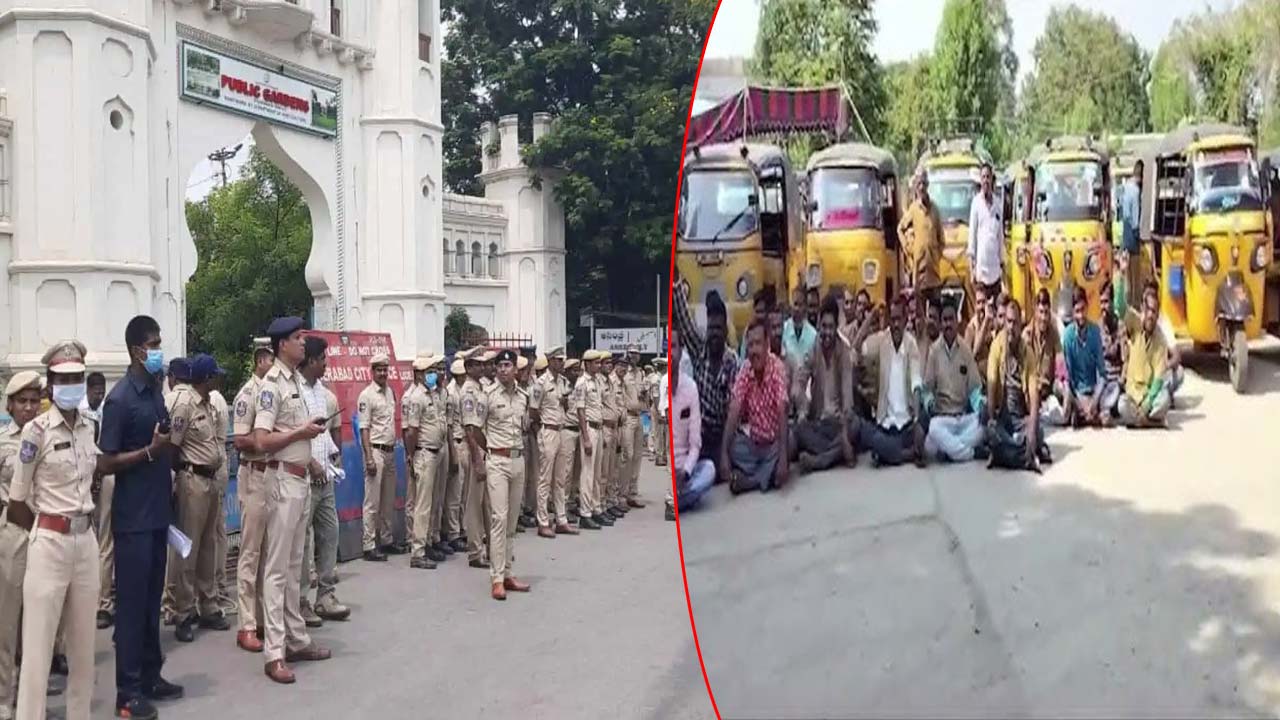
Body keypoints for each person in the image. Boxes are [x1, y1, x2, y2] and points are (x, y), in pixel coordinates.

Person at [98, 316, 184, 718]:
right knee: (131, 608)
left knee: (151, 604)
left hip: (156, 514)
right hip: (132, 519)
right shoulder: (119, 399)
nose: (158, 350)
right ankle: (126, 692)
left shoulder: (154, 389)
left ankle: (151, 675)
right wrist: (150, 452)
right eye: (153, 344)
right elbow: (106, 462)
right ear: (136, 350)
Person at [8, 342, 98, 720]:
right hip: (49, 542)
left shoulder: (89, 427)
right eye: (63, 378)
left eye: (77, 377)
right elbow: (16, 501)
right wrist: (47, 530)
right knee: (38, 648)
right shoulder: (35, 432)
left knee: (83, 648)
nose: (72, 384)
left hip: (86, 543)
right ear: (50, 384)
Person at [252, 317, 332, 684]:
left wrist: (310, 445)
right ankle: (274, 652)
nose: (304, 344)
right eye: (299, 339)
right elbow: (261, 440)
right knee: (277, 569)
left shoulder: (296, 381)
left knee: (295, 565)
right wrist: (302, 431)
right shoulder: (271, 386)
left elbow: (295, 437)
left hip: (300, 479)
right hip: (281, 480)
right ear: (283, 344)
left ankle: (296, 639)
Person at [166, 353, 230, 643]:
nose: (218, 379)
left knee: (208, 546)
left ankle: (209, 605)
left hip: (210, 479)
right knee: (187, 550)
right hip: (192, 480)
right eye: (215, 375)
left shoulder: (209, 404)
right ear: (205, 378)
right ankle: (183, 611)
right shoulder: (184, 404)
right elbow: (171, 447)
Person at [469, 349, 532, 601]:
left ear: (515, 369)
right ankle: (496, 578)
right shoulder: (487, 396)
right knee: (499, 518)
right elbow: (475, 429)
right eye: (500, 365)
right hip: (497, 459)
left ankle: (507, 572)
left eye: (508, 365)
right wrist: (490, 451)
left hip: (518, 459)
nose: (504, 369)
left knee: (512, 521)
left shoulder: (522, 396)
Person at [296, 336, 350, 623]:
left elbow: (325, 433)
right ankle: (302, 600)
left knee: (330, 535)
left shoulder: (322, 393)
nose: (327, 364)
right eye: (323, 359)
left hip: (324, 478)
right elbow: (293, 435)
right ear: (312, 360)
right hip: (303, 477)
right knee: (303, 544)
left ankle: (326, 596)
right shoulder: (295, 392)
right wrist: (311, 462)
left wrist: (331, 458)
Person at [0, 371, 43, 720]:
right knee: (7, 624)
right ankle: (5, 701)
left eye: (34, 401)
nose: (29, 408)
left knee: (40, 625)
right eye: (22, 402)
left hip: (47, 534)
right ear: (10, 405)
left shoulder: (50, 437)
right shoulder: (3, 442)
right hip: (13, 534)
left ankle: (34, 704)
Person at [672, 277, 741, 475]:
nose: (714, 334)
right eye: (711, 329)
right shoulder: (699, 350)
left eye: (718, 329)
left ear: (726, 331)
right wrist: (676, 282)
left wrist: (726, 451)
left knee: (737, 452)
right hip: (699, 434)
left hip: (723, 434)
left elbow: (732, 413)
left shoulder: (732, 362)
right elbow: (684, 319)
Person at [232, 341, 274, 653]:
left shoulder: (276, 391)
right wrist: (268, 442)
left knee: (269, 552)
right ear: (261, 359)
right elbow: (240, 440)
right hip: (254, 474)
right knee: (250, 552)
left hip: (275, 476)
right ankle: (246, 624)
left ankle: (262, 618)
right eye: (271, 357)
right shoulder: (248, 394)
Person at [853, 298, 926, 467]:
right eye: (892, 319)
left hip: (906, 425)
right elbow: (856, 348)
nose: (895, 324)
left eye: (899, 319)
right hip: (885, 425)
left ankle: (888, 454)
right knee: (868, 434)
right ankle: (908, 455)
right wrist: (871, 316)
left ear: (906, 319)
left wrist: (915, 421)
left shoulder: (911, 344)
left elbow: (916, 382)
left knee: (926, 422)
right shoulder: (881, 340)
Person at [720, 319, 789, 494]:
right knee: (734, 445)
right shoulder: (746, 370)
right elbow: (734, 410)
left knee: (789, 443)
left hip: (775, 443)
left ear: (767, 345)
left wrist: (783, 458)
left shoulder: (777, 368)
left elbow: (782, 411)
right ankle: (765, 475)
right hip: (755, 445)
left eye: (758, 344)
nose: (753, 351)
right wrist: (724, 455)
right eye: (750, 345)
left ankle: (750, 482)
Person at [793, 296, 857, 473]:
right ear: (819, 326)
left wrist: (844, 432)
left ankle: (819, 461)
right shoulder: (815, 347)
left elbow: (847, 398)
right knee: (798, 430)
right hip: (819, 423)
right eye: (823, 327)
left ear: (837, 328)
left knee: (856, 426)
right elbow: (800, 380)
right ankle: (836, 454)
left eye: (831, 327)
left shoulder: (844, 352)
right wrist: (801, 407)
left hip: (839, 423)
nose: (826, 332)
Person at [985, 299, 1046, 471]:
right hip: (1002, 418)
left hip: (1020, 419)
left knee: (1038, 432)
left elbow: (1034, 399)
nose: (1011, 327)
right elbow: (991, 390)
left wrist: (1032, 433)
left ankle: (1005, 455)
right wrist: (991, 421)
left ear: (1021, 324)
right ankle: (1025, 456)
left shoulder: (1028, 353)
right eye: (1009, 322)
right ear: (1004, 323)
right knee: (990, 432)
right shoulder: (996, 347)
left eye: (1015, 323)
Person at [922, 303, 986, 462]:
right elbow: (926, 390)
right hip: (943, 419)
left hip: (963, 419)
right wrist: (929, 402)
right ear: (940, 324)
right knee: (933, 430)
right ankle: (970, 453)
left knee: (983, 426)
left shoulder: (965, 350)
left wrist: (981, 405)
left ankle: (950, 452)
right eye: (944, 320)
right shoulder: (934, 351)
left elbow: (974, 389)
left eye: (951, 319)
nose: (948, 324)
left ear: (957, 321)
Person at [81, 371, 118, 630]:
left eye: (102, 390)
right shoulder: (81, 412)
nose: (100, 395)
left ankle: (103, 604)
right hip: (84, 483)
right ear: (88, 390)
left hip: (105, 479)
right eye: (96, 390)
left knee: (105, 541)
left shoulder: (108, 410)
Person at [666, 327, 714, 520]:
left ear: (680, 350)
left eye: (673, 347)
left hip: (684, 472)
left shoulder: (690, 388)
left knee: (709, 469)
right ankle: (677, 501)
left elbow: (695, 444)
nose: (670, 353)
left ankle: (674, 502)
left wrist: (685, 472)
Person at [405, 353, 448, 568]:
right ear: (420, 374)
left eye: (435, 370)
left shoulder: (435, 394)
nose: (434, 375)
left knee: (434, 502)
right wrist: (411, 456)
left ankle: (428, 542)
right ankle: (417, 551)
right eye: (430, 371)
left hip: (437, 451)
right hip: (424, 453)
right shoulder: (416, 398)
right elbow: (411, 431)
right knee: (422, 505)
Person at [532, 347, 578, 537]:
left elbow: (565, 405)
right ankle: (543, 521)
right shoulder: (541, 383)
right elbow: (533, 411)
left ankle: (561, 519)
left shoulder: (563, 382)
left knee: (560, 479)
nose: (561, 363)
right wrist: (540, 431)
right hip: (548, 430)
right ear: (550, 361)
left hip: (561, 429)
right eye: (558, 360)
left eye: (562, 360)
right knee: (545, 479)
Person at [357, 352, 399, 561]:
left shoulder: (390, 392)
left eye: (385, 369)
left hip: (390, 451)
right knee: (372, 502)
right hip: (375, 451)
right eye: (379, 370)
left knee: (388, 501)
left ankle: (387, 540)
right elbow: (363, 429)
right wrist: (369, 458)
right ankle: (369, 545)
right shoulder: (366, 395)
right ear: (372, 371)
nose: (383, 373)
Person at [1119, 291, 1172, 428]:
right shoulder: (1134, 323)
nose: (1150, 315)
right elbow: (1120, 306)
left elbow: (1159, 377)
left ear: (1157, 314)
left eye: (1154, 311)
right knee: (1121, 405)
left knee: (1164, 400)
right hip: (1133, 394)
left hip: (1149, 395)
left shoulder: (1161, 340)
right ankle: (1152, 423)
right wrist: (1121, 275)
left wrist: (1148, 403)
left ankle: (1140, 420)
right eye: (1148, 310)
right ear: (1142, 308)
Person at [460, 350, 492, 566]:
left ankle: (492, 548)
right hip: (475, 450)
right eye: (477, 365)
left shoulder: (482, 387)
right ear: (469, 367)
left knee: (489, 504)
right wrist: (477, 460)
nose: (482, 368)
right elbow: (470, 428)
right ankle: (474, 551)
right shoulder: (468, 391)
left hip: (486, 447)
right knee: (474, 503)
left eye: (483, 364)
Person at [897, 169, 944, 312]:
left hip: (934, 275)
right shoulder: (913, 209)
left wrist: (935, 256)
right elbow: (900, 229)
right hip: (919, 276)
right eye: (919, 184)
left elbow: (941, 240)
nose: (921, 187)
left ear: (928, 185)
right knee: (920, 316)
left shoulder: (935, 210)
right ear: (916, 187)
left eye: (924, 183)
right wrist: (910, 250)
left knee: (935, 315)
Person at [1061, 287, 1107, 428]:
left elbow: (1102, 373)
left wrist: (1094, 399)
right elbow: (1068, 376)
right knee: (1065, 392)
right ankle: (1082, 413)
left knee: (1107, 415)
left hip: (1092, 391)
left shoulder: (1095, 332)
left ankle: (1085, 415)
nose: (1081, 315)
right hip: (1076, 392)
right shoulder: (1068, 336)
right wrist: (1080, 401)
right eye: (1077, 311)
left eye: (1083, 310)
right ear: (1073, 312)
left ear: (1087, 308)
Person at [573, 350, 607, 529]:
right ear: (586, 364)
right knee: (587, 473)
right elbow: (580, 411)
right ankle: (585, 513)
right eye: (595, 363)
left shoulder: (597, 381)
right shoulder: (582, 383)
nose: (599, 365)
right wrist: (586, 437)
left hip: (599, 428)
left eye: (599, 363)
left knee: (596, 473)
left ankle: (596, 508)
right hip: (589, 429)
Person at [1026, 289, 1064, 432]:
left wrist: (1064, 384)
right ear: (1035, 311)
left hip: (1048, 394)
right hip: (1031, 395)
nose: (1043, 317)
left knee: (1059, 413)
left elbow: (1060, 361)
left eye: (1046, 312)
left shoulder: (1053, 333)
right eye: (1041, 312)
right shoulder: (1027, 335)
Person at [967, 162, 1004, 298]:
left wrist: (1002, 266)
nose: (986, 180)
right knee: (982, 311)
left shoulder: (998, 204)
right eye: (983, 177)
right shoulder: (976, 204)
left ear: (992, 179)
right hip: (981, 272)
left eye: (988, 177)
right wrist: (972, 270)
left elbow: (1000, 237)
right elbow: (972, 238)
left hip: (995, 271)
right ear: (980, 180)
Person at [443, 358, 469, 554]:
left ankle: (462, 527)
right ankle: (452, 532)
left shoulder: (465, 390)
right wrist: (452, 452)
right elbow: (450, 426)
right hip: (457, 443)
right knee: (455, 494)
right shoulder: (451, 393)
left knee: (465, 493)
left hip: (467, 443)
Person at [621, 349, 648, 509]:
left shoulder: (641, 373)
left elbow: (643, 394)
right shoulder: (623, 373)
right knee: (627, 456)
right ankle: (622, 494)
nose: (634, 356)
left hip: (639, 416)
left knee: (638, 456)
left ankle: (632, 493)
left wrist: (644, 395)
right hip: (627, 417)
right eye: (631, 353)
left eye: (637, 353)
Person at [964, 284, 997, 381]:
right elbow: (973, 354)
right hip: (977, 378)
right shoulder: (970, 329)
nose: (981, 306)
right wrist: (985, 322)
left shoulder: (993, 324)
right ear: (974, 305)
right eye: (979, 303)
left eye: (984, 302)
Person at [781, 286, 818, 365]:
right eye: (795, 304)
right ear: (791, 305)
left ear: (805, 307)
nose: (797, 309)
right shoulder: (783, 330)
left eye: (800, 305)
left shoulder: (813, 335)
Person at [651, 357, 669, 467]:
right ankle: (659, 456)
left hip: (661, 407)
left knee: (664, 433)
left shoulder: (663, 378)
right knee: (659, 433)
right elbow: (656, 396)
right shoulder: (656, 379)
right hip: (658, 408)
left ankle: (663, 456)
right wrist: (660, 412)